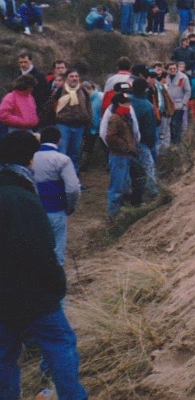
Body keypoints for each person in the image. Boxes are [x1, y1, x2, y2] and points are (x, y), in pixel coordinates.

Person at [0, 131, 89, 400]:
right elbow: (40, 249)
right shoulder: (22, 197)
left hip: (3, 296)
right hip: (35, 294)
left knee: (4, 354)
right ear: (27, 160)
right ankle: (72, 396)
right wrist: (56, 284)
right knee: (61, 343)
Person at [31, 127, 82, 266]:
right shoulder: (62, 160)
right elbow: (73, 189)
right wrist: (69, 207)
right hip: (56, 208)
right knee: (57, 248)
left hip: (35, 209)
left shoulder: (30, 158)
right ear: (59, 141)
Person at [100, 92, 139, 217]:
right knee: (117, 187)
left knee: (124, 185)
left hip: (124, 156)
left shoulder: (124, 116)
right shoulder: (115, 118)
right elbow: (110, 137)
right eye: (126, 102)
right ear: (119, 104)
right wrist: (125, 146)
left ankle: (121, 211)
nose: (129, 105)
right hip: (118, 156)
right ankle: (114, 216)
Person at [50, 68, 91, 173]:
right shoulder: (60, 91)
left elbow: (88, 107)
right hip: (63, 125)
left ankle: (74, 176)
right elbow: (52, 106)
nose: (74, 79)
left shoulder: (83, 91)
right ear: (66, 79)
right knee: (62, 152)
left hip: (79, 126)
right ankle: (60, 176)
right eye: (71, 76)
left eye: (76, 76)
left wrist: (88, 122)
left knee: (76, 153)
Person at [130, 79, 159, 201]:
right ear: (146, 89)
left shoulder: (128, 101)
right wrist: (151, 144)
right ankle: (153, 193)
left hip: (127, 140)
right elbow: (150, 130)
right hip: (142, 142)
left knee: (131, 169)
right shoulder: (147, 106)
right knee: (148, 166)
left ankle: (130, 194)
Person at [165, 63, 191, 143]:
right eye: (170, 69)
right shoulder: (166, 77)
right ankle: (171, 143)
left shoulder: (183, 77)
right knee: (169, 125)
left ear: (177, 69)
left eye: (174, 68)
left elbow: (188, 91)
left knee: (176, 125)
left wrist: (183, 103)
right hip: (169, 106)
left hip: (179, 105)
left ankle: (177, 143)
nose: (172, 70)